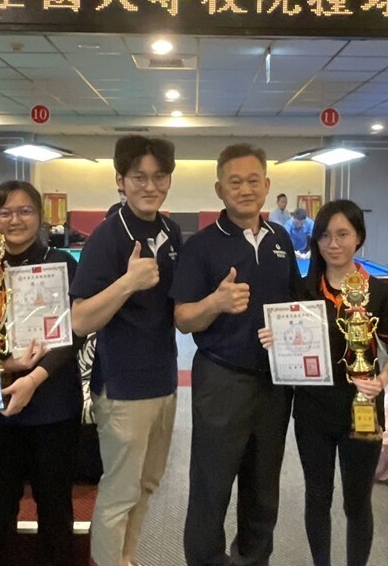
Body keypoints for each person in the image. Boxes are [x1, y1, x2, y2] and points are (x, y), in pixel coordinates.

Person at [171, 143, 301, 566]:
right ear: (219, 189)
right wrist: (216, 303)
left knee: (263, 487)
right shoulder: (203, 246)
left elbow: (296, 305)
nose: (245, 190)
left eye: (253, 181)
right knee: (212, 485)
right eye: (235, 182)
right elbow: (183, 319)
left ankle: (252, 559)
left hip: (274, 383)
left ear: (266, 186)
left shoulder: (280, 238)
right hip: (221, 379)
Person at [258, 200, 388, 566]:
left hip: (364, 411)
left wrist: (384, 378)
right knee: (317, 497)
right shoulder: (302, 291)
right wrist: (276, 340)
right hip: (313, 411)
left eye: (343, 234)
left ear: (359, 238)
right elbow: (290, 347)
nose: (333, 243)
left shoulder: (380, 294)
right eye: (324, 235)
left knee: (357, 502)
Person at [70, 135, 181, 566]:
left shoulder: (170, 230)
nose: (150, 186)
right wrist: (127, 282)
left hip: (165, 381)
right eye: (139, 177)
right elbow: (80, 320)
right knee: (118, 494)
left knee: (147, 486)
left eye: (159, 176)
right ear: (121, 181)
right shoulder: (107, 236)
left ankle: (127, 558)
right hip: (121, 387)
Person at [0, 181, 83, 566]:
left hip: (53, 400)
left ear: (40, 217)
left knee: (55, 503)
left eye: (25, 211)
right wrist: (3, 366)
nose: (15, 220)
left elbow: (77, 332)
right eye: (5, 212)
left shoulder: (63, 265)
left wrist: (35, 373)